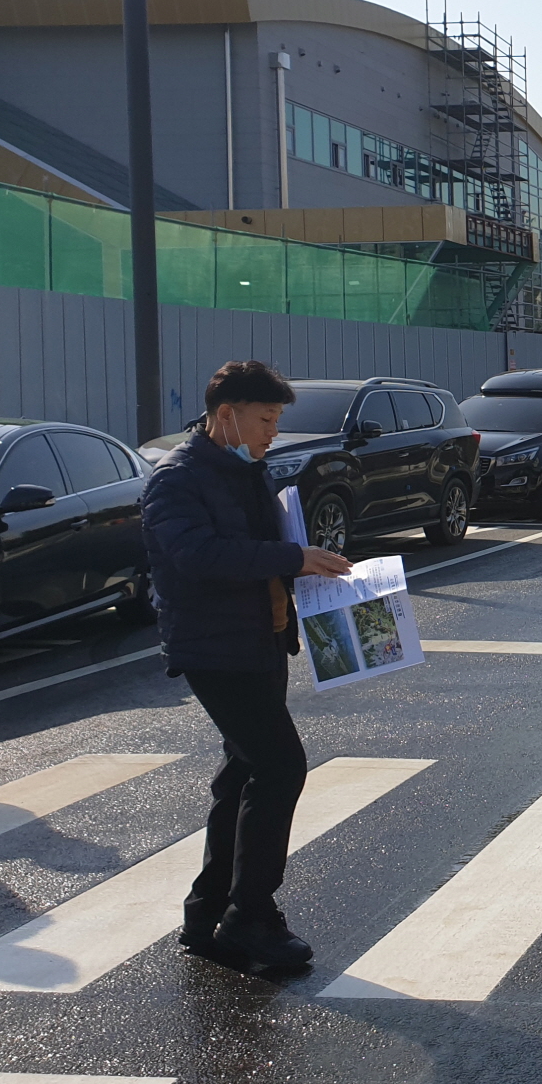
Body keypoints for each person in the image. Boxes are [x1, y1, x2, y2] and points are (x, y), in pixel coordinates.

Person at [141, 360, 354, 972]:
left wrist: (312, 566)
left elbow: (265, 546)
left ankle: (209, 912)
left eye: (278, 421)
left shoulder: (246, 470)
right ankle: (250, 918)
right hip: (215, 648)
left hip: (262, 640)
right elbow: (197, 555)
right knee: (280, 765)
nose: (272, 433)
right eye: (265, 419)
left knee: (243, 774)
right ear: (225, 414)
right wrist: (291, 555)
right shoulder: (177, 480)